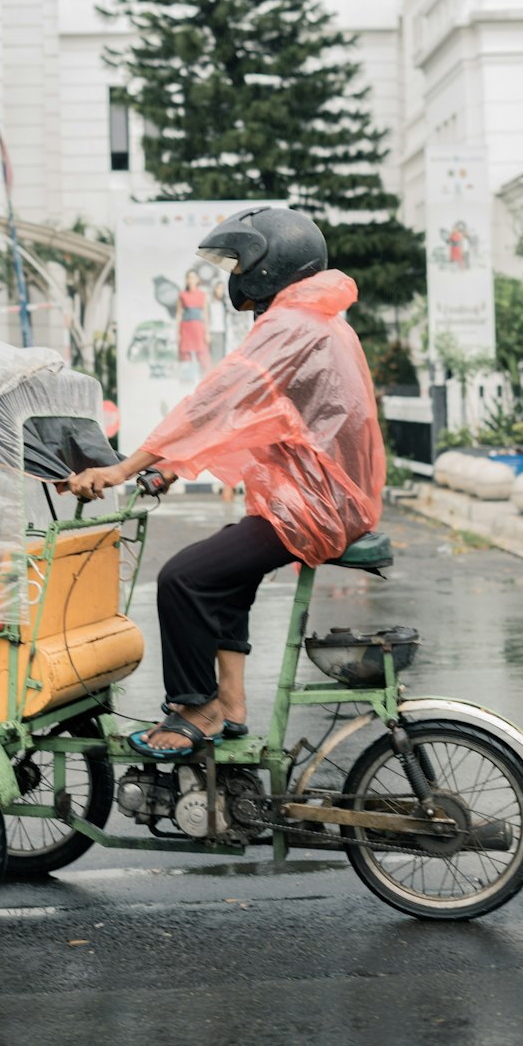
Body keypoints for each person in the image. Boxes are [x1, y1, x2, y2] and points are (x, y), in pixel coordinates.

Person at [68, 207, 385, 757]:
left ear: (270, 263)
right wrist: (167, 465)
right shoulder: (316, 317)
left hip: (316, 506)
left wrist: (124, 468)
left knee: (183, 579)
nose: (234, 274)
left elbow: (216, 403)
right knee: (225, 580)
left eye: (240, 261)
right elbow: (253, 418)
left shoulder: (294, 323)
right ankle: (232, 706)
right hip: (324, 500)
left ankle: (196, 708)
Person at [176, 268, 211, 377]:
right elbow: (178, 315)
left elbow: (205, 315)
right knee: (185, 356)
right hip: (186, 327)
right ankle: (187, 381)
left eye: (194, 277)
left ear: (198, 280)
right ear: (186, 280)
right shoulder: (182, 295)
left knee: (203, 355)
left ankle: (205, 381)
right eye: (189, 277)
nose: (191, 280)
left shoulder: (202, 295)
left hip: (198, 328)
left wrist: (207, 332)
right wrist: (178, 333)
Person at [208, 280, 229, 365]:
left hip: (222, 332)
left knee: (222, 357)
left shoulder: (224, 303)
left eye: (222, 289)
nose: (220, 291)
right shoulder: (210, 303)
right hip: (213, 332)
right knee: (214, 358)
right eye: (219, 288)